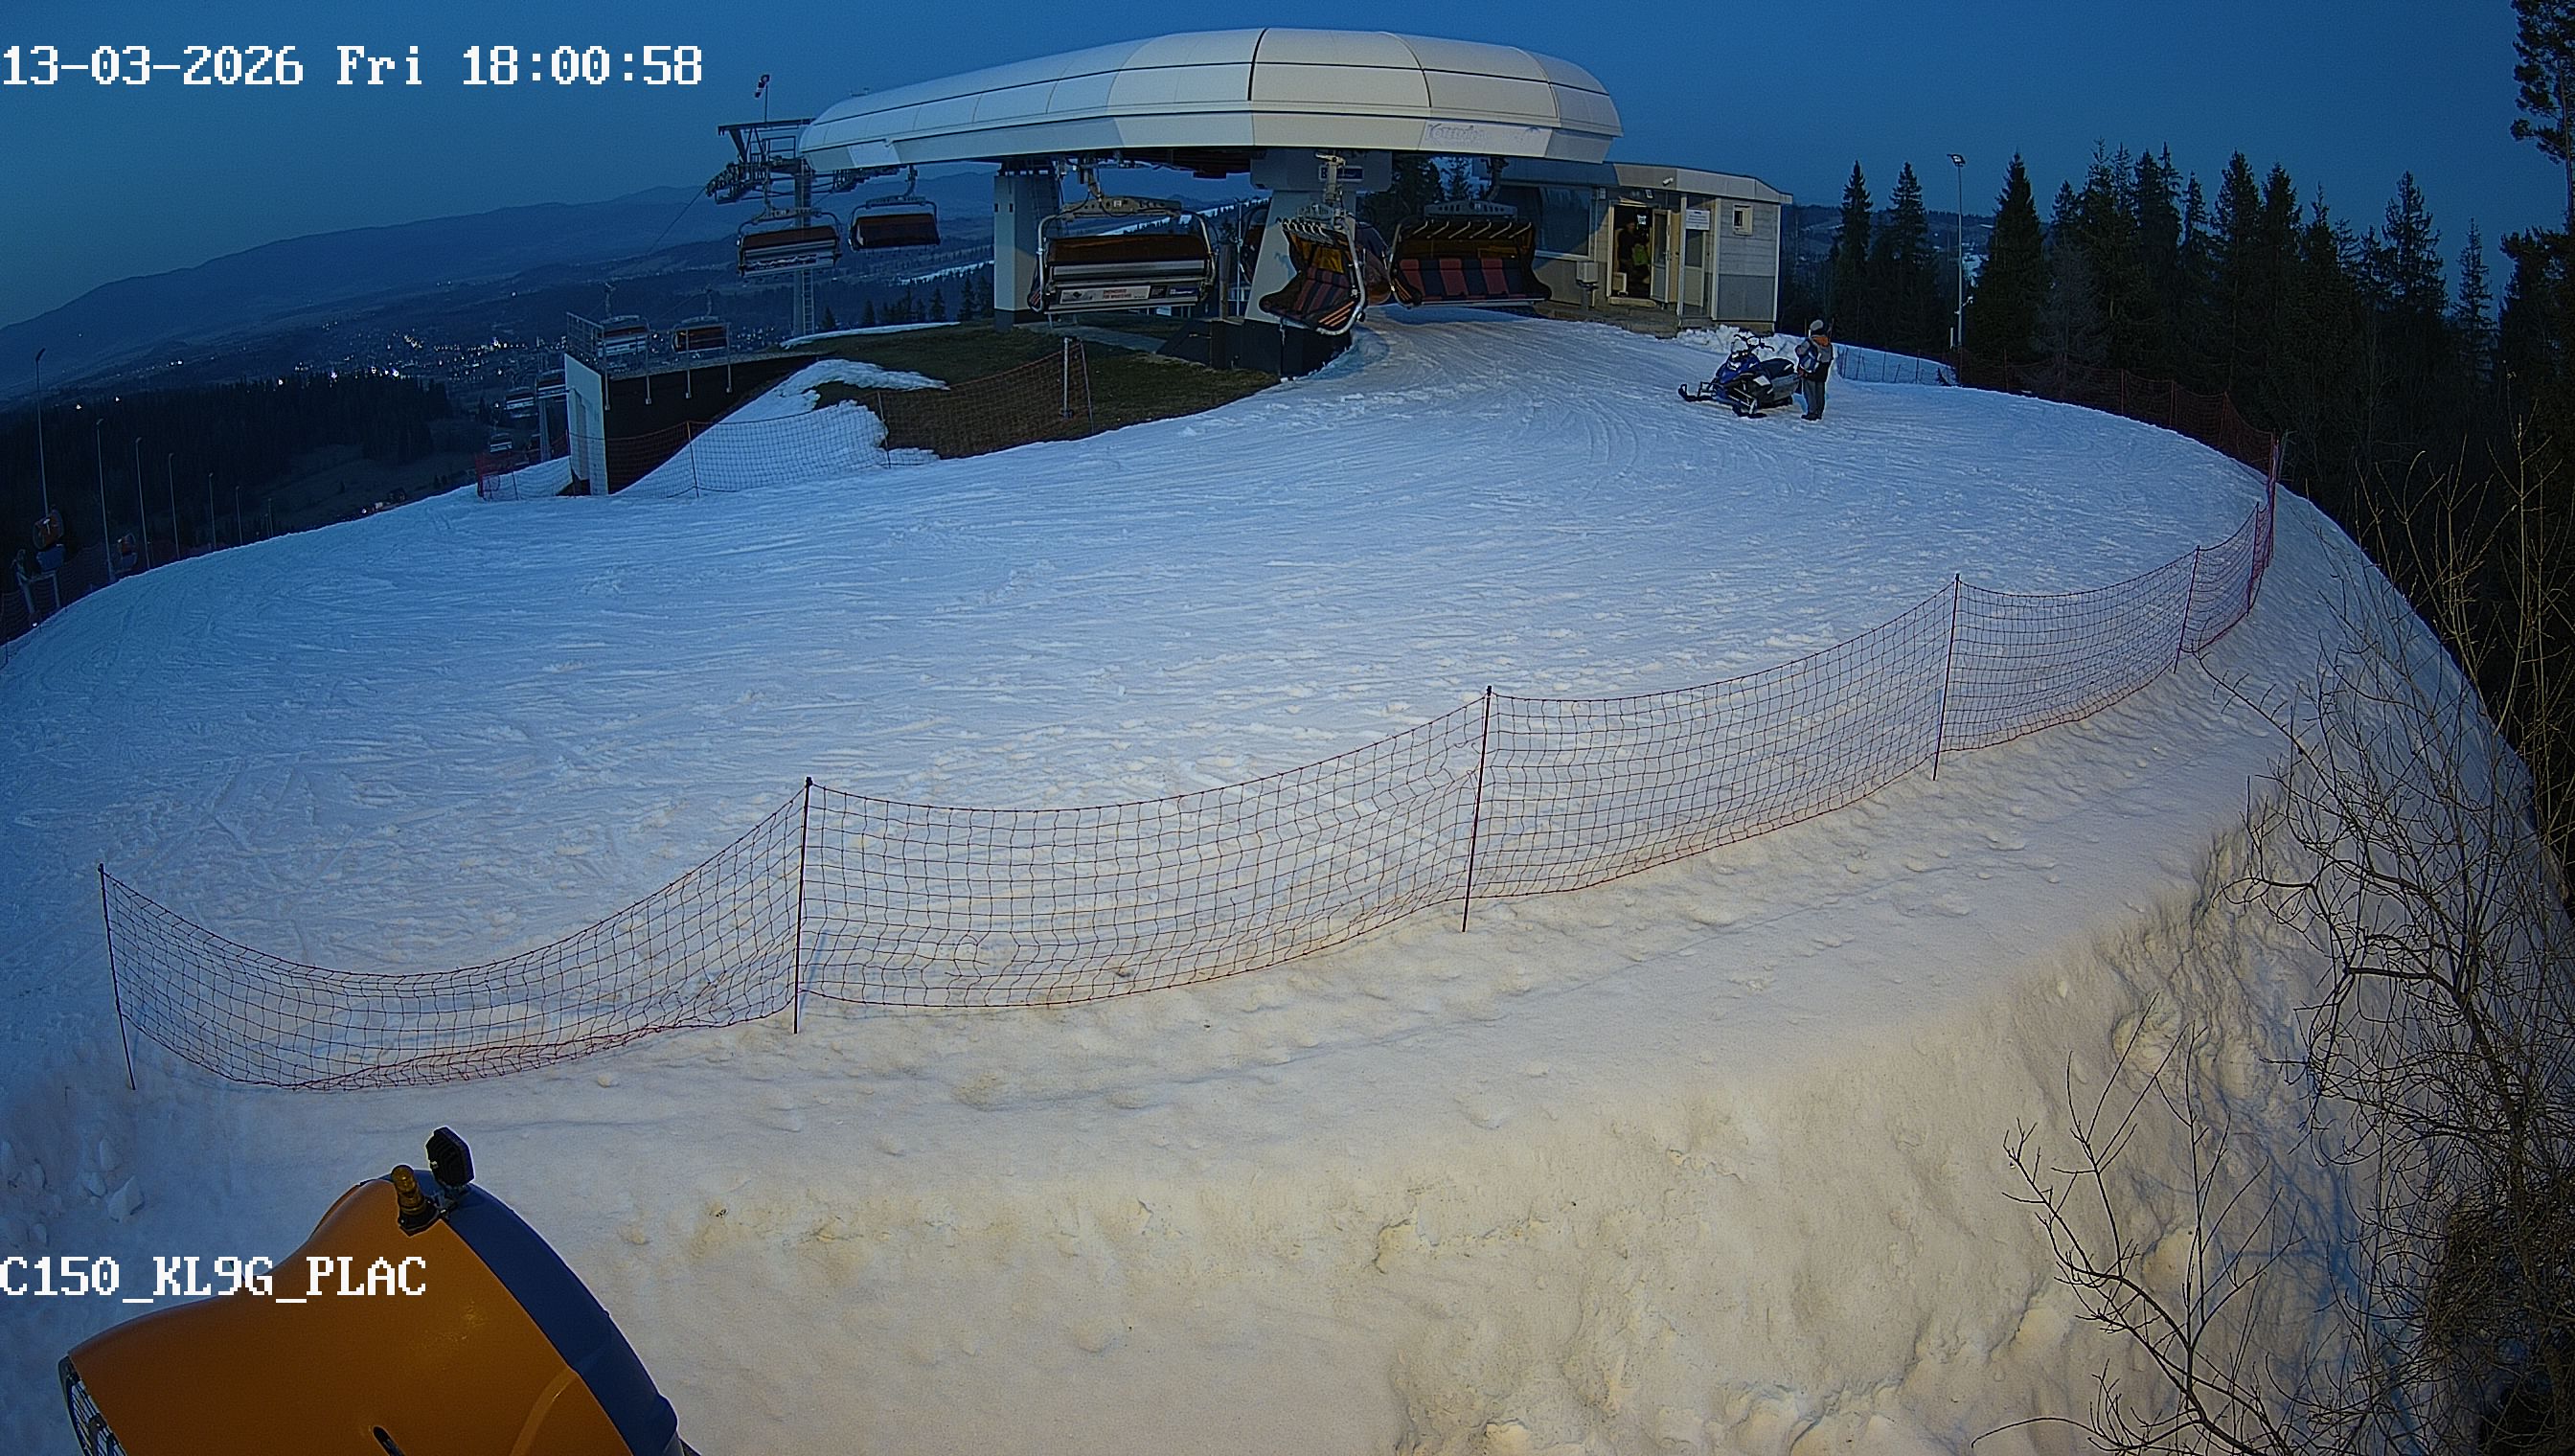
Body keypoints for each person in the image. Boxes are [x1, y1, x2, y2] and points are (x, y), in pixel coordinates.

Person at [1795, 320, 1835, 421]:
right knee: (1820, 392)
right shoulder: (1828, 343)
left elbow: (1800, 352)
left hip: (1810, 371)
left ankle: (1812, 412)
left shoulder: (1810, 342)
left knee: (1810, 392)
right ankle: (1819, 412)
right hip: (1822, 372)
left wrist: (1797, 348)